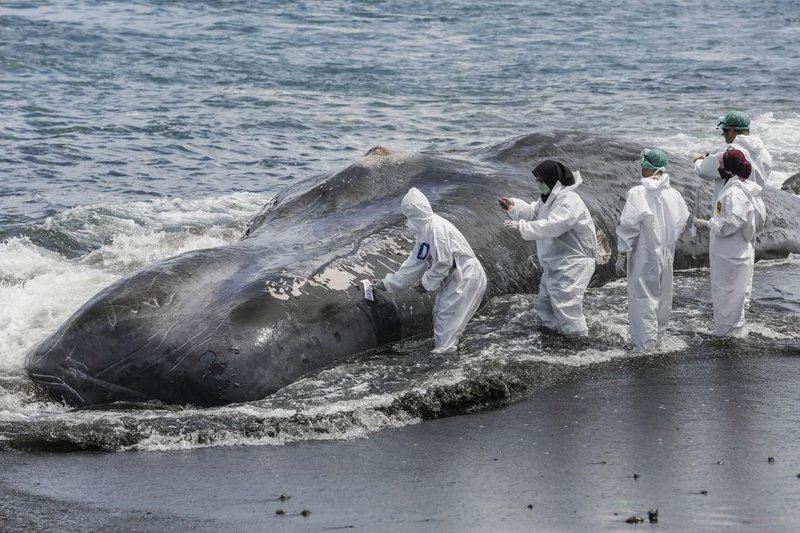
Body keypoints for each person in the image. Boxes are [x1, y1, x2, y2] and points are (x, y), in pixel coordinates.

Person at [372, 187, 487, 353]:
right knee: (445, 318)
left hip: (465, 277)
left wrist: (425, 283)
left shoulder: (437, 229)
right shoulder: (425, 231)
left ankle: (445, 360)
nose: (407, 222)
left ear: (415, 214)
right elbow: (415, 262)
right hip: (458, 278)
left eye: (408, 217)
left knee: (446, 319)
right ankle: (449, 352)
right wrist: (388, 283)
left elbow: (443, 262)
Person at [499, 160, 597, 337]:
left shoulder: (569, 200)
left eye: (541, 180)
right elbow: (535, 214)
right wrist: (515, 207)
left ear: (553, 179)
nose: (539, 184)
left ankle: (578, 342)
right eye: (537, 180)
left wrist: (522, 227)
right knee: (546, 304)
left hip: (573, 262)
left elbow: (555, 225)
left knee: (566, 305)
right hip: (555, 261)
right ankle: (553, 338)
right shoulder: (547, 198)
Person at [615, 149, 690, 351]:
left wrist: (622, 252)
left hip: (643, 252)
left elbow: (628, 225)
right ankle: (659, 337)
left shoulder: (637, 193)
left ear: (649, 168)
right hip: (666, 251)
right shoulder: (674, 195)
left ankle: (644, 345)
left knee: (642, 296)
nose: (640, 168)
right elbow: (682, 220)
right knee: (664, 294)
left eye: (643, 165)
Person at [694, 148, 766, 337]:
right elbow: (758, 221)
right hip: (740, 249)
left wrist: (709, 224)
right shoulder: (749, 190)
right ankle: (734, 332)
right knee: (736, 296)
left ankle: (727, 337)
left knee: (726, 294)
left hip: (730, 254)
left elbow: (731, 223)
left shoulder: (734, 193)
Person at [693, 110, 772, 207]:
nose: (724, 136)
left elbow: (703, 171)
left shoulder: (731, 153)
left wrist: (699, 161)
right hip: (755, 208)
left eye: (724, 132)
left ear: (731, 131)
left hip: (730, 208)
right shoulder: (764, 153)